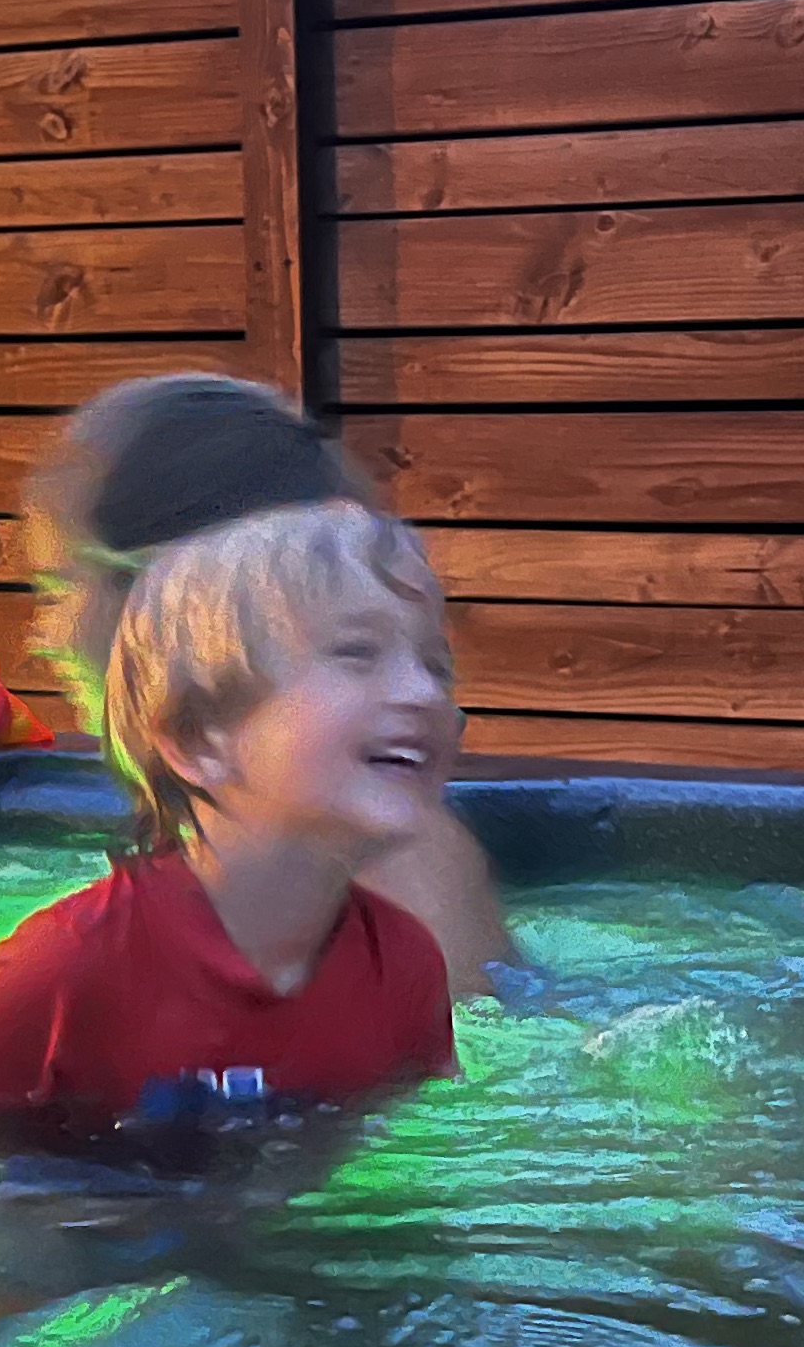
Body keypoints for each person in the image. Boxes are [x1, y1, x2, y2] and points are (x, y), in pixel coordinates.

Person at [0, 498, 463, 1144]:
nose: (425, 693)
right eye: (357, 653)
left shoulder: (405, 969)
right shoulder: (64, 975)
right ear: (199, 740)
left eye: (436, 663)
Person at [27, 373, 520, 985]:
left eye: (60, 588)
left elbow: (474, 1061)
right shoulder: (251, 846)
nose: (45, 638)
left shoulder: (393, 873)